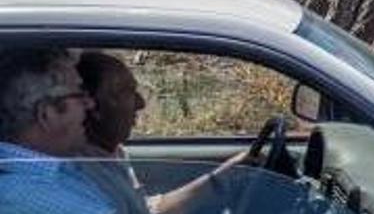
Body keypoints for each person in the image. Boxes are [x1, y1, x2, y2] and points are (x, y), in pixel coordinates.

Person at [77, 51, 253, 214]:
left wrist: (220, 177)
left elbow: (149, 210)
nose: (141, 103)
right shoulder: (78, 174)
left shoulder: (112, 153)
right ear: (93, 105)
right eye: (127, 92)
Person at [0, 47, 146, 214]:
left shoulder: (54, 171)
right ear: (48, 114)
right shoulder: (33, 195)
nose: (90, 104)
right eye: (79, 95)